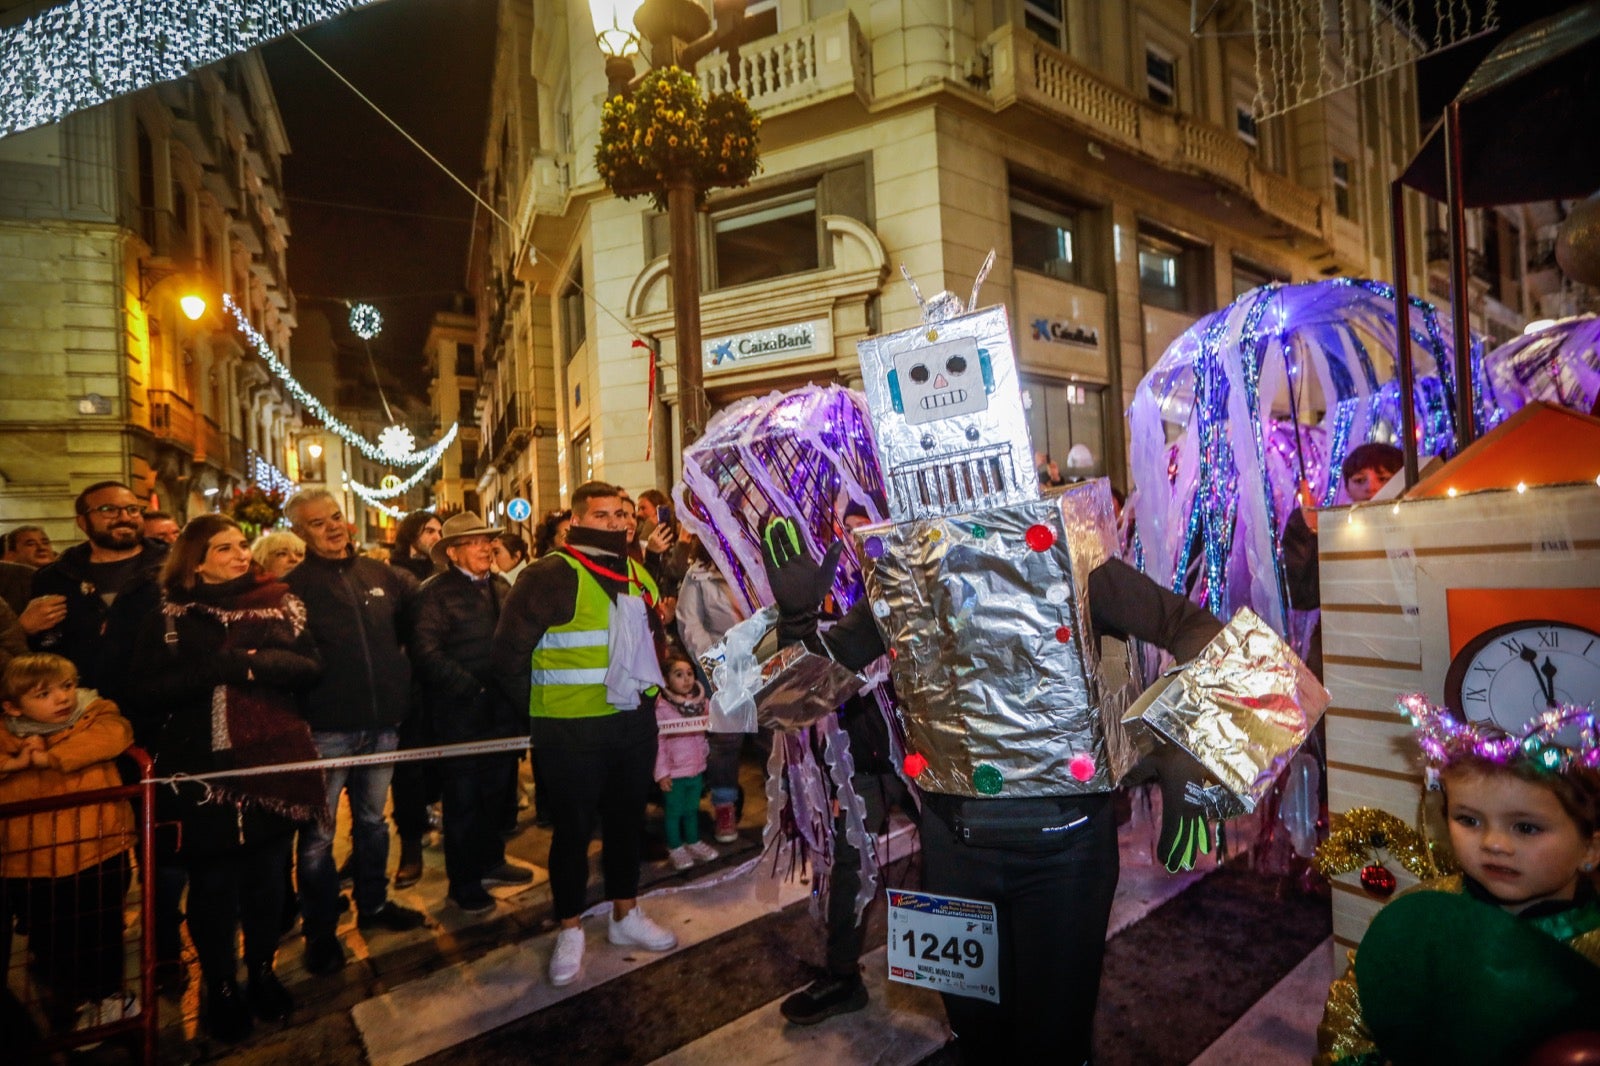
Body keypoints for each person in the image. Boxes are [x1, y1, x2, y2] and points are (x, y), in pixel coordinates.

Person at [765, 526, 1222, 1062]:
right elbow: (792, 699)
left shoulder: (1067, 557)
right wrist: (796, 625)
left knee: (1054, 1045)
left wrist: (1179, 743)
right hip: (954, 853)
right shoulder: (905, 575)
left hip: (1064, 856)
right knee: (975, 1036)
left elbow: (1196, 630)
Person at [126, 516, 326, 1042]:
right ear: (195, 559)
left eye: (242, 545)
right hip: (200, 771)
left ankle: (262, 970)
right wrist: (227, 666)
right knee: (213, 886)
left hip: (273, 758)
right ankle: (220, 987)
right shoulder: (167, 613)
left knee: (266, 879)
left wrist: (252, 666)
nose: (241, 555)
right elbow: (144, 690)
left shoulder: (280, 600)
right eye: (224, 548)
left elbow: (309, 666)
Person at [1316, 698, 1600, 1066]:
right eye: (1469, 820)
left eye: (1526, 827)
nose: (1493, 843)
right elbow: (1353, 1014)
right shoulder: (1421, 915)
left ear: (1590, 850)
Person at [491, 481, 678, 988]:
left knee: (625, 824)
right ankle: (570, 925)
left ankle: (624, 914)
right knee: (572, 832)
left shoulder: (638, 571)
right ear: (577, 520)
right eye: (603, 515)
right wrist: (541, 719)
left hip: (632, 725)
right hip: (570, 731)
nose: (618, 522)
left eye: (622, 514)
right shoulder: (548, 574)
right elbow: (507, 660)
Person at [283, 489, 426, 977]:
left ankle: (374, 904)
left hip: (383, 724)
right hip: (325, 731)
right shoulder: (291, 588)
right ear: (300, 534)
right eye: (318, 523)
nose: (333, 527)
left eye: (336, 517)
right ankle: (320, 932)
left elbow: (414, 625)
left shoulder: (379, 573)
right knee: (318, 838)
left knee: (372, 822)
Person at [0, 653, 136, 1035]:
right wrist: (11, 765)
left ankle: (110, 998)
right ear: (12, 705)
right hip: (34, 862)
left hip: (99, 847)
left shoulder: (94, 714)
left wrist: (52, 758)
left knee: (104, 927)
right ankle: (71, 1003)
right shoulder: (6, 734)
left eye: (67, 686)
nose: (62, 698)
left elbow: (116, 734)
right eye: (44, 694)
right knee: (53, 937)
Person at [410, 513, 532, 915]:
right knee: (462, 802)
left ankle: (492, 860)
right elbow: (426, 652)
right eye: (476, 541)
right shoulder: (434, 593)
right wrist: (471, 688)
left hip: (501, 714)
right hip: (459, 717)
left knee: (497, 796)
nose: (486, 547)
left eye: (488, 540)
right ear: (453, 551)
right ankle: (464, 882)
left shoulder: (499, 585)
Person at [28, 482, 168, 693]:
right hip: (86, 707)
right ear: (82, 522)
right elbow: (43, 651)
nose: (124, 517)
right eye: (109, 510)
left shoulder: (174, 566)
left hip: (164, 703)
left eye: (133, 509)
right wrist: (25, 629)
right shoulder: (55, 577)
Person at [1281, 442, 1403, 679]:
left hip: (1398, 649)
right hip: (1339, 653)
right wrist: (1304, 531)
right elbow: (1302, 595)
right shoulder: (1334, 532)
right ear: (1346, 487)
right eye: (1360, 480)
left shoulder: (1422, 527)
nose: (1371, 488)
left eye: (1384, 478)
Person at [675, 538, 746, 843]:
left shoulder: (757, 559)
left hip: (767, 659)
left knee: (781, 737)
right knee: (726, 740)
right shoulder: (698, 574)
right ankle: (724, 805)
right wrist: (719, 661)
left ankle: (791, 803)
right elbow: (690, 624)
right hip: (722, 665)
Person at [388, 510, 445, 888]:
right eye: (429, 531)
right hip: (412, 687)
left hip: (444, 686)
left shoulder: (446, 576)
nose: (437, 536)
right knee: (409, 771)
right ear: (411, 537)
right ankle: (410, 845)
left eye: (441, 531)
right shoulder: (393, 576)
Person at [655, 650, 717, 871]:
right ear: (666, 680)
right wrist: (662, 773)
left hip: (696, 768)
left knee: (692, 809)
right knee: (674, 811)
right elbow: (659, 744)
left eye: (690, 673)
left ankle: (692, 841)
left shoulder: (701, 703)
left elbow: (713, 721)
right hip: (674, 772)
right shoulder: (662, 708)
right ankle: (675, 846)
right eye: (679, 674)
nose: (686, 679)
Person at [390, 511, 442, 583]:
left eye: (440, 533)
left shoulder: (440, 569)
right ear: (411, 534)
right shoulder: (394, 571)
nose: (438, 538)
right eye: (430, 531)